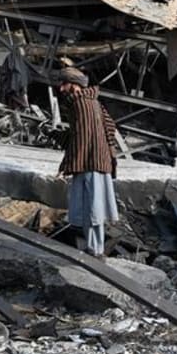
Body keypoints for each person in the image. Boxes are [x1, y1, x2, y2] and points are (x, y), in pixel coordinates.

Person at [56, 66, 119, 257]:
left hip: (90, 163)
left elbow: (81, 138)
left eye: (64, 84)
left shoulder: (81, 104)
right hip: (97, 162)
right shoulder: (93, 102)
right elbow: (108, 125)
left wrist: (66, 165)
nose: (61, 89)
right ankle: (95, 249)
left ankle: (95, 251)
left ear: (75, 86)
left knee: (90, 209)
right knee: (93, 209)